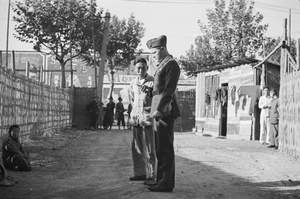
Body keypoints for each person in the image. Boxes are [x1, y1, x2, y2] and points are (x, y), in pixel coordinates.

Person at [146, 35, 181, 192]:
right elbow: (160, 88)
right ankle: (160, 180)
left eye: (154, 53)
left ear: (162, 49)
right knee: (160, 147)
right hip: (158, 110)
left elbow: (169, 90)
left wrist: (160, 109)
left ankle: (166, 183)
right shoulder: (163, 65)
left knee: (165, 147)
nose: (153, 57)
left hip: (164, 111)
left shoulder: (171, 64)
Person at [128, 57, 157, 186]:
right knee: (137, 148)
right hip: (136, 119)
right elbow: (132, 100)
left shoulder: (152, 82)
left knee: (150, 149)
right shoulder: (133, 83)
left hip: (147, 120)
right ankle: (140, 173)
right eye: (138, 68)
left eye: (143, 68)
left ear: (147, 68)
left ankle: (151, 176)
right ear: (135, 69)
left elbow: (156, 99)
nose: (140, 70)